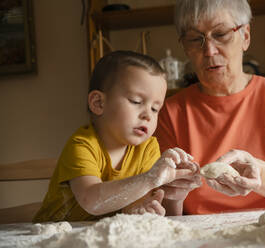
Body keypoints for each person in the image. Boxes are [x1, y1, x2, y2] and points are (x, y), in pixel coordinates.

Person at [155, 0, 265, 216]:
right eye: (195, 39)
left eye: (221, 34)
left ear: (245, 37)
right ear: (185, 47)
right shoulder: (170, 112)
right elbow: (168, 213)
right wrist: (172, 194)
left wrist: (258, 174)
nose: (210, 51)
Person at [33, 50, 199, 222]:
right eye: (136, 101)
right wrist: (150, 179)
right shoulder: (82, 145)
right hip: (51, 235)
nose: (148, 116)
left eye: (155, 109)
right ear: (98, 103)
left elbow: (167, 217)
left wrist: (175, 196)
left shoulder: (148, 148)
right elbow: (91, 200)